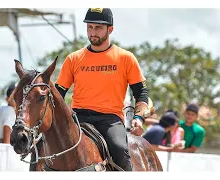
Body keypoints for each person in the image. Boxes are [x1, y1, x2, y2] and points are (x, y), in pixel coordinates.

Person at [55, 8, 150, 171]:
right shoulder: (73, 59)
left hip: (110, 120)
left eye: (98, 28)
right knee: (44, 146)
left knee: (119, 148)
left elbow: (141, 92)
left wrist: (139, 118)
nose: (93, 32)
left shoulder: (125, 58)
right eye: (89, 27)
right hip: (77, 118)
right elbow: (57, 95)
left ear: (110, 29)